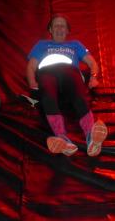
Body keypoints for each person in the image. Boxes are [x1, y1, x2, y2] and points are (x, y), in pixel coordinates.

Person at [26, 15, 108, 157]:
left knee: (78, 94)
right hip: (47, 72)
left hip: (70, 73)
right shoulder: (42, 44)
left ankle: (91, 136)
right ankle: (62, 139)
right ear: (50, 30)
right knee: (48, 96)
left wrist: (93, 77)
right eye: (56, 25)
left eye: (62, 26)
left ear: (67, 30)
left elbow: (92, 63)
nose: (59, 28)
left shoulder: (75, 44)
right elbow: (31, 66)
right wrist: (32, 82)